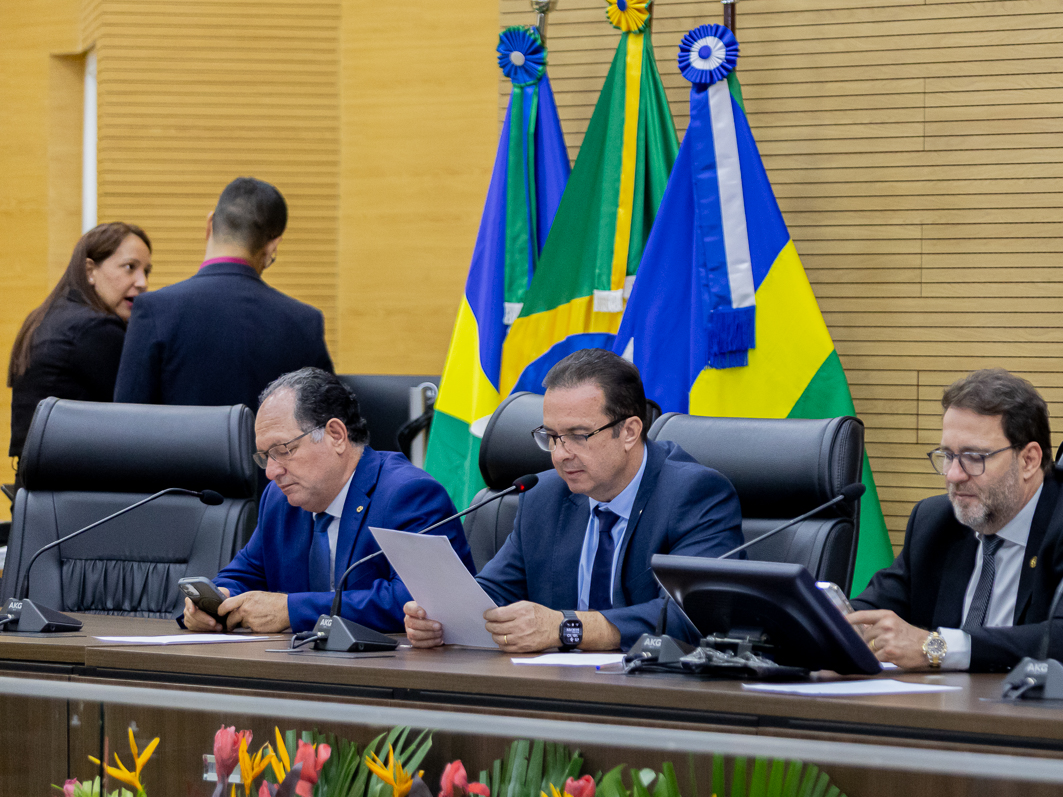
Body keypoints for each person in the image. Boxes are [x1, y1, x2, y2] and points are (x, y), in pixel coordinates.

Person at [403, 349, 743, 653]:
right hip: (556, 684)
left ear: (629, 431)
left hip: (653, 689)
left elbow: (695, 615)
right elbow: (495, 592)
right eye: (551, 437)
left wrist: (567, 628)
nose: (560, 454)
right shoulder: (543, 495)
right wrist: (443, 617)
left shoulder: (694, 494)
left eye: (578, 436)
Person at [849, 368, 1063, 675]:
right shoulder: (935, 522)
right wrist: (837, 624)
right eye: (948, 455)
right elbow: (874, 609)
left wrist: (936, 647)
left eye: (974, 457)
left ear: (1028, 460)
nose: (954, 475)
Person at [182, 368, 473, 634]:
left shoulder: (408, 494)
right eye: (265, 456)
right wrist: (215, 602)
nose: (271, 472)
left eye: (283, 450)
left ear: (336, 435)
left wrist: (292, 611)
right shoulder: (279, 500)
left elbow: (421, 600)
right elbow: (245, 574)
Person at [115, 177, 331, 410]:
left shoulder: (153, 310)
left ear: (210, 224)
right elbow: (328, 420)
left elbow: (127, 420)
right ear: (273, 245)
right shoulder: (305, 323)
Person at [9, 223, 153, 456]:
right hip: (68, 474)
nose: (142, 282)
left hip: (38, 472)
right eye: (130, 267)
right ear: (90, 271)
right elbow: (141, 415)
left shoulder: (47, 316)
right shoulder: (95, 329)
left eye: (146, 271)